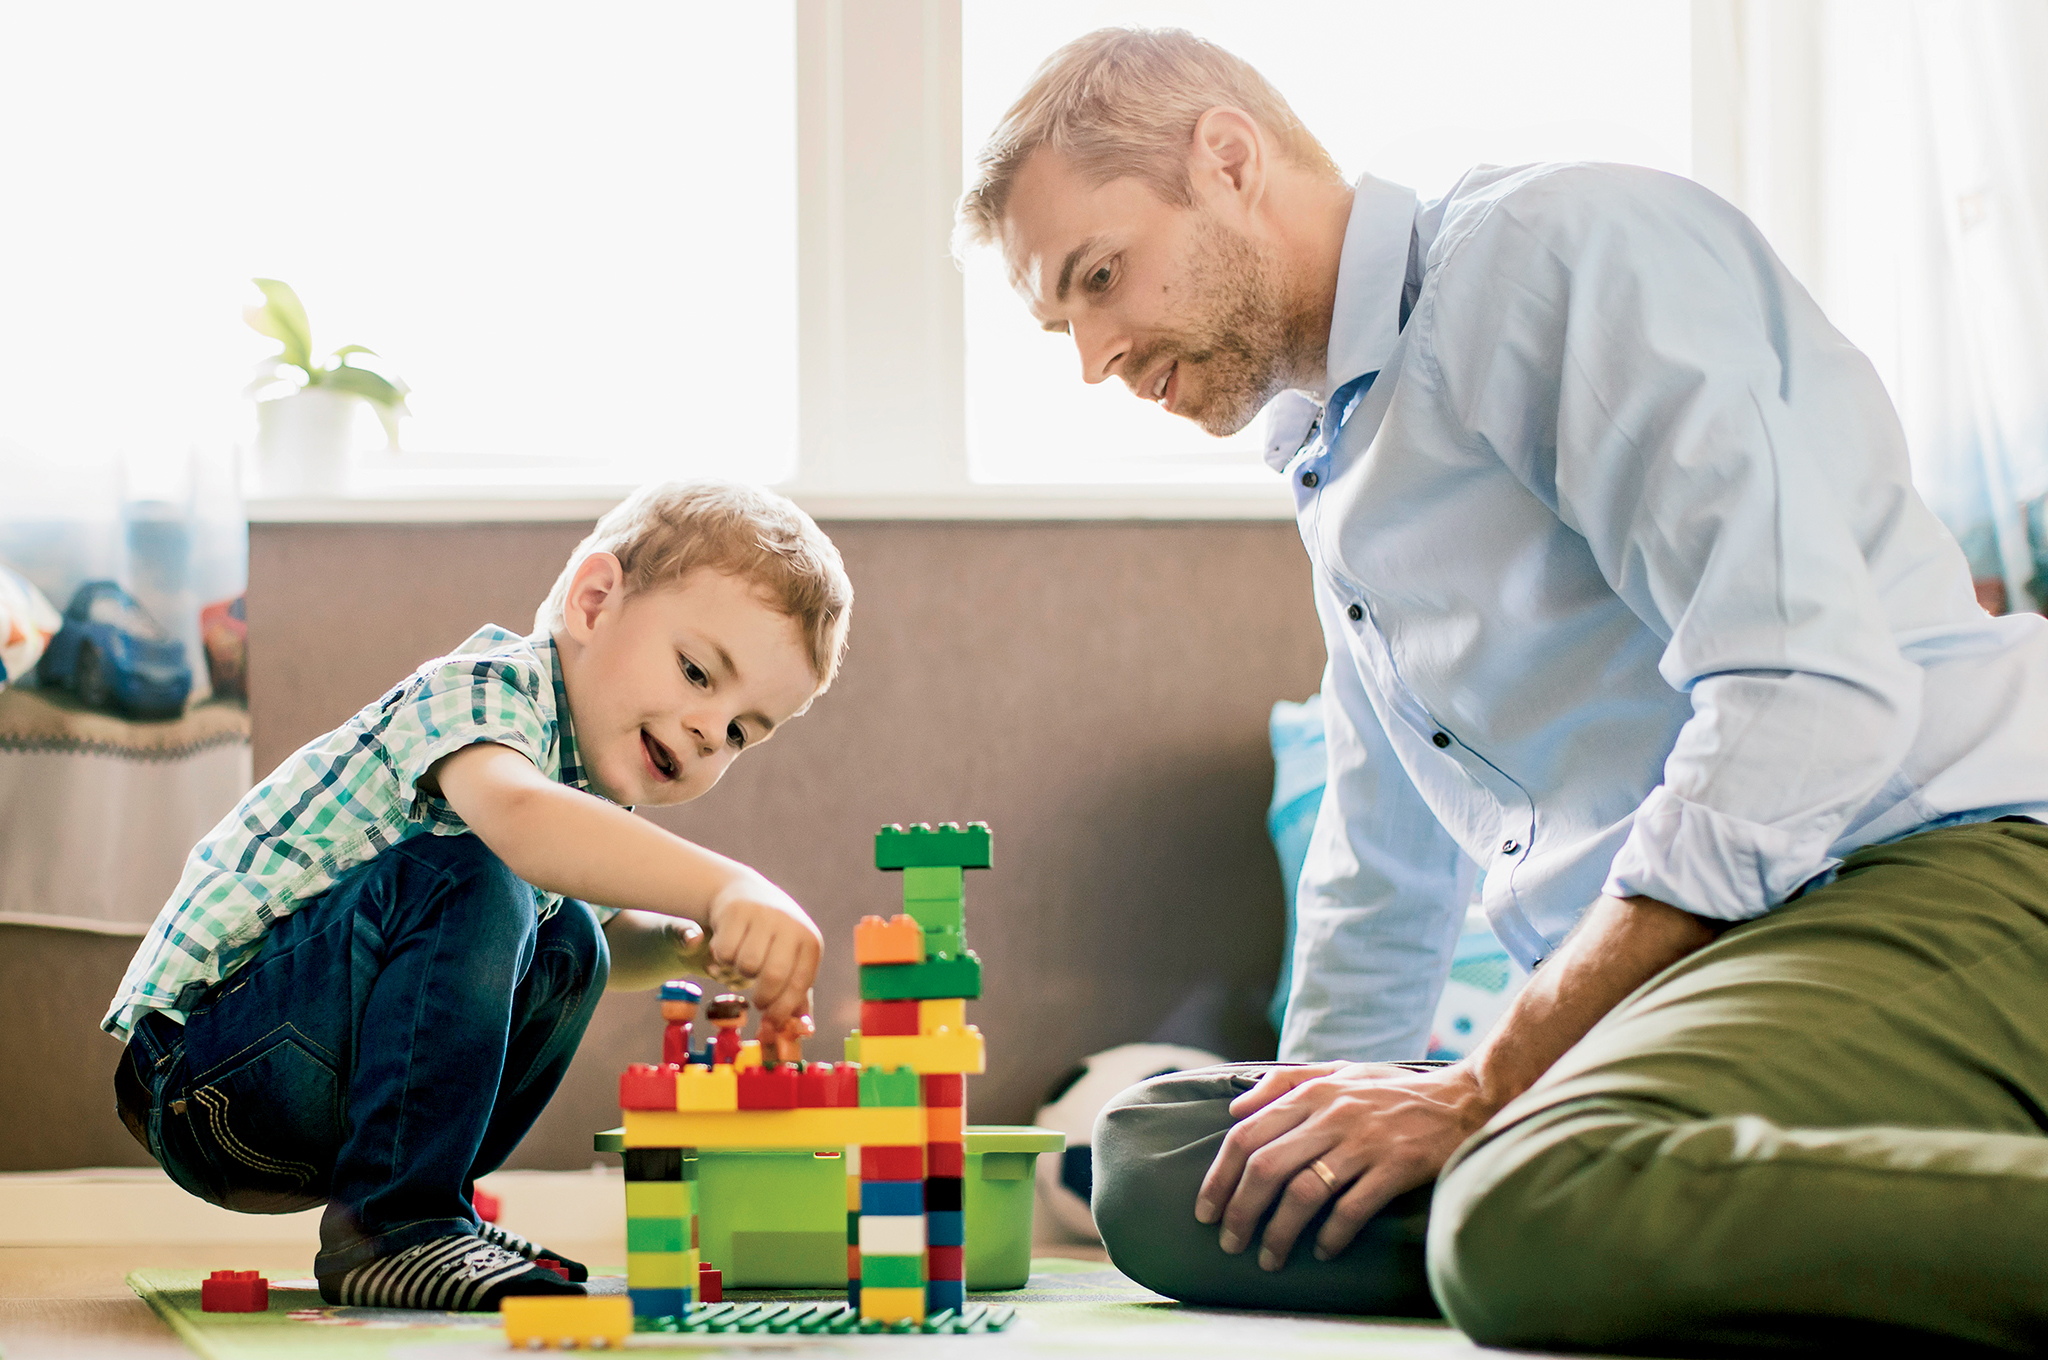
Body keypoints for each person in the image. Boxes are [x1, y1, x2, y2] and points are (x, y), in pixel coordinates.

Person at [956, 26, 2048, 1352]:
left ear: (1227, 160)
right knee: (1164, 1164)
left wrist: (1489, 1080)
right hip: (1691, 969)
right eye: (1061, 319)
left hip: (1914, 871)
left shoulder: (1554, 256)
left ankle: (1561, 1189)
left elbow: (1806, 687)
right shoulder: (1329, 446)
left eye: (1102, 278)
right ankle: (1644, 1193)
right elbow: (1384, 853)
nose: (1094, 359)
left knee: (1521, 1212)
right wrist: (1321, 1105)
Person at [104, 480, 851, 1312]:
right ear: (595, 602)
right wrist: (728, 883)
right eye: (697, 672)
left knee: (574, 937)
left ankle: (418, 1209)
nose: (713, 730)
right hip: (205, 1068)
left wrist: (687, 938)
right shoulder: (487, 687)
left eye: (743, 731)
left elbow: (598, 931)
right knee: (476, 869)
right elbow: (520, 821)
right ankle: (398, 1224)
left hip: (316, 1096)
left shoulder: (588, 800)